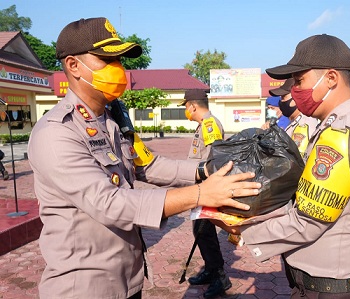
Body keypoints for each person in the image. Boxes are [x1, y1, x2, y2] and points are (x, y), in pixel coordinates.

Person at [27, 17, 260, 299]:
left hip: (127, 278)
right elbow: (108, 202)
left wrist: (206, 170)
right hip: (85, 286)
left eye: (120, 61)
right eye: (106, 60)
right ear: (73, 66)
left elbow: (147, 165)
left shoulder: (113, 121)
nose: (118, 70)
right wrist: (200, 194)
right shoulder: (56, 133)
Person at [218, 34, 350, 298]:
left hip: (334, 289)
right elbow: (302, 200)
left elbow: (308, 222)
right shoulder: (329, 129)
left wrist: (242, 231)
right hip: (316, 284)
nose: (295, 90)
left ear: (331, 78)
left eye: (300, 81)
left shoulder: (346, 137)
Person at [178, 89, 232, 298]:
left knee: (204, 231)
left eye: (185, 107)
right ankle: (211, 270)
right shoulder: (203, 125)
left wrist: (208, 188)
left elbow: (214, 157)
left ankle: (220, 277)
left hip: (207, 188)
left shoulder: (209, 124)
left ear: (192, 106)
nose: (186, 111)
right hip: (200, 186)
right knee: (201, 231)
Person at [269, 77, 319, 156]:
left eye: (283, 97)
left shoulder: (304, 125)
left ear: (296, 98)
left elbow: (295, 161)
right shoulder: (294, 122)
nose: (281, 102)